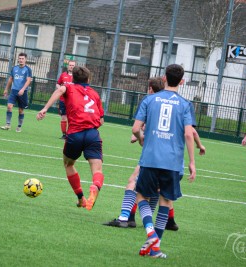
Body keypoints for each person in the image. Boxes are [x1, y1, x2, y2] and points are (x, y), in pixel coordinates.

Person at [104, 77, 205, 231]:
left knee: (135, 183)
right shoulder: (182, 103)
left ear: (151, 89)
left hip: (153, 155)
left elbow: (136, 130)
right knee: (162, 192)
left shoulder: (151, 102)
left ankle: (127, 217)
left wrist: (139, 137)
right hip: (173, 159)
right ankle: (167, 223)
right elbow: (191, 131)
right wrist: (199, 146)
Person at [133, 64, 196, 259]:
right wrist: (192, 161)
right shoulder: (185, 104)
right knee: (166, 201)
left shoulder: (150, 99)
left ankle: (149, 232)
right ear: (182, 81)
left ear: (164, 78)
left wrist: (142, 138)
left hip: (150, 157)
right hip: (173, 161)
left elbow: (136, 128)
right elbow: (188, 133)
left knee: (141, 196)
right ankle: (155, 248)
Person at [36, 66, 105, 211]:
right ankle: (95, 186)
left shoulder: (69, 86)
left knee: (68, 164)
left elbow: (60, 90)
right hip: (93, 134)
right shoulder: (95, 94)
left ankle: (81, 198)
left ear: (73, 78)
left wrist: (45, 108)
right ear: (88, 79)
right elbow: (102, 120)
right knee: (97, 169)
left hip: (75, 134)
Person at [0, 53, 32, 132]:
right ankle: (8, 125)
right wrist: (6, 89)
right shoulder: (14, 68)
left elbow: (28, 80)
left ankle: (19, 126)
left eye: (22, 58)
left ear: (25, 60)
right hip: (14, 91)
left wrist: (23, 89)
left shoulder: (28, 69)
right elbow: (11, 79)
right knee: (9, 106)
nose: (21, 60)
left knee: (20, 110)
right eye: (20, 58)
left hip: (23, 92)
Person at [56, 60, 76, 139]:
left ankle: (70, 134)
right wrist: (60, 89)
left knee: (71, 118)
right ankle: (64, 135)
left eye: (73, 65)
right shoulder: (63, 75)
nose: (71, 66)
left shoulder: (77, 77)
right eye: (70, 65)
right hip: (63, 100)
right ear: (68, 66)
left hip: (73, 100)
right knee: (63, 117)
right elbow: (58, 83)